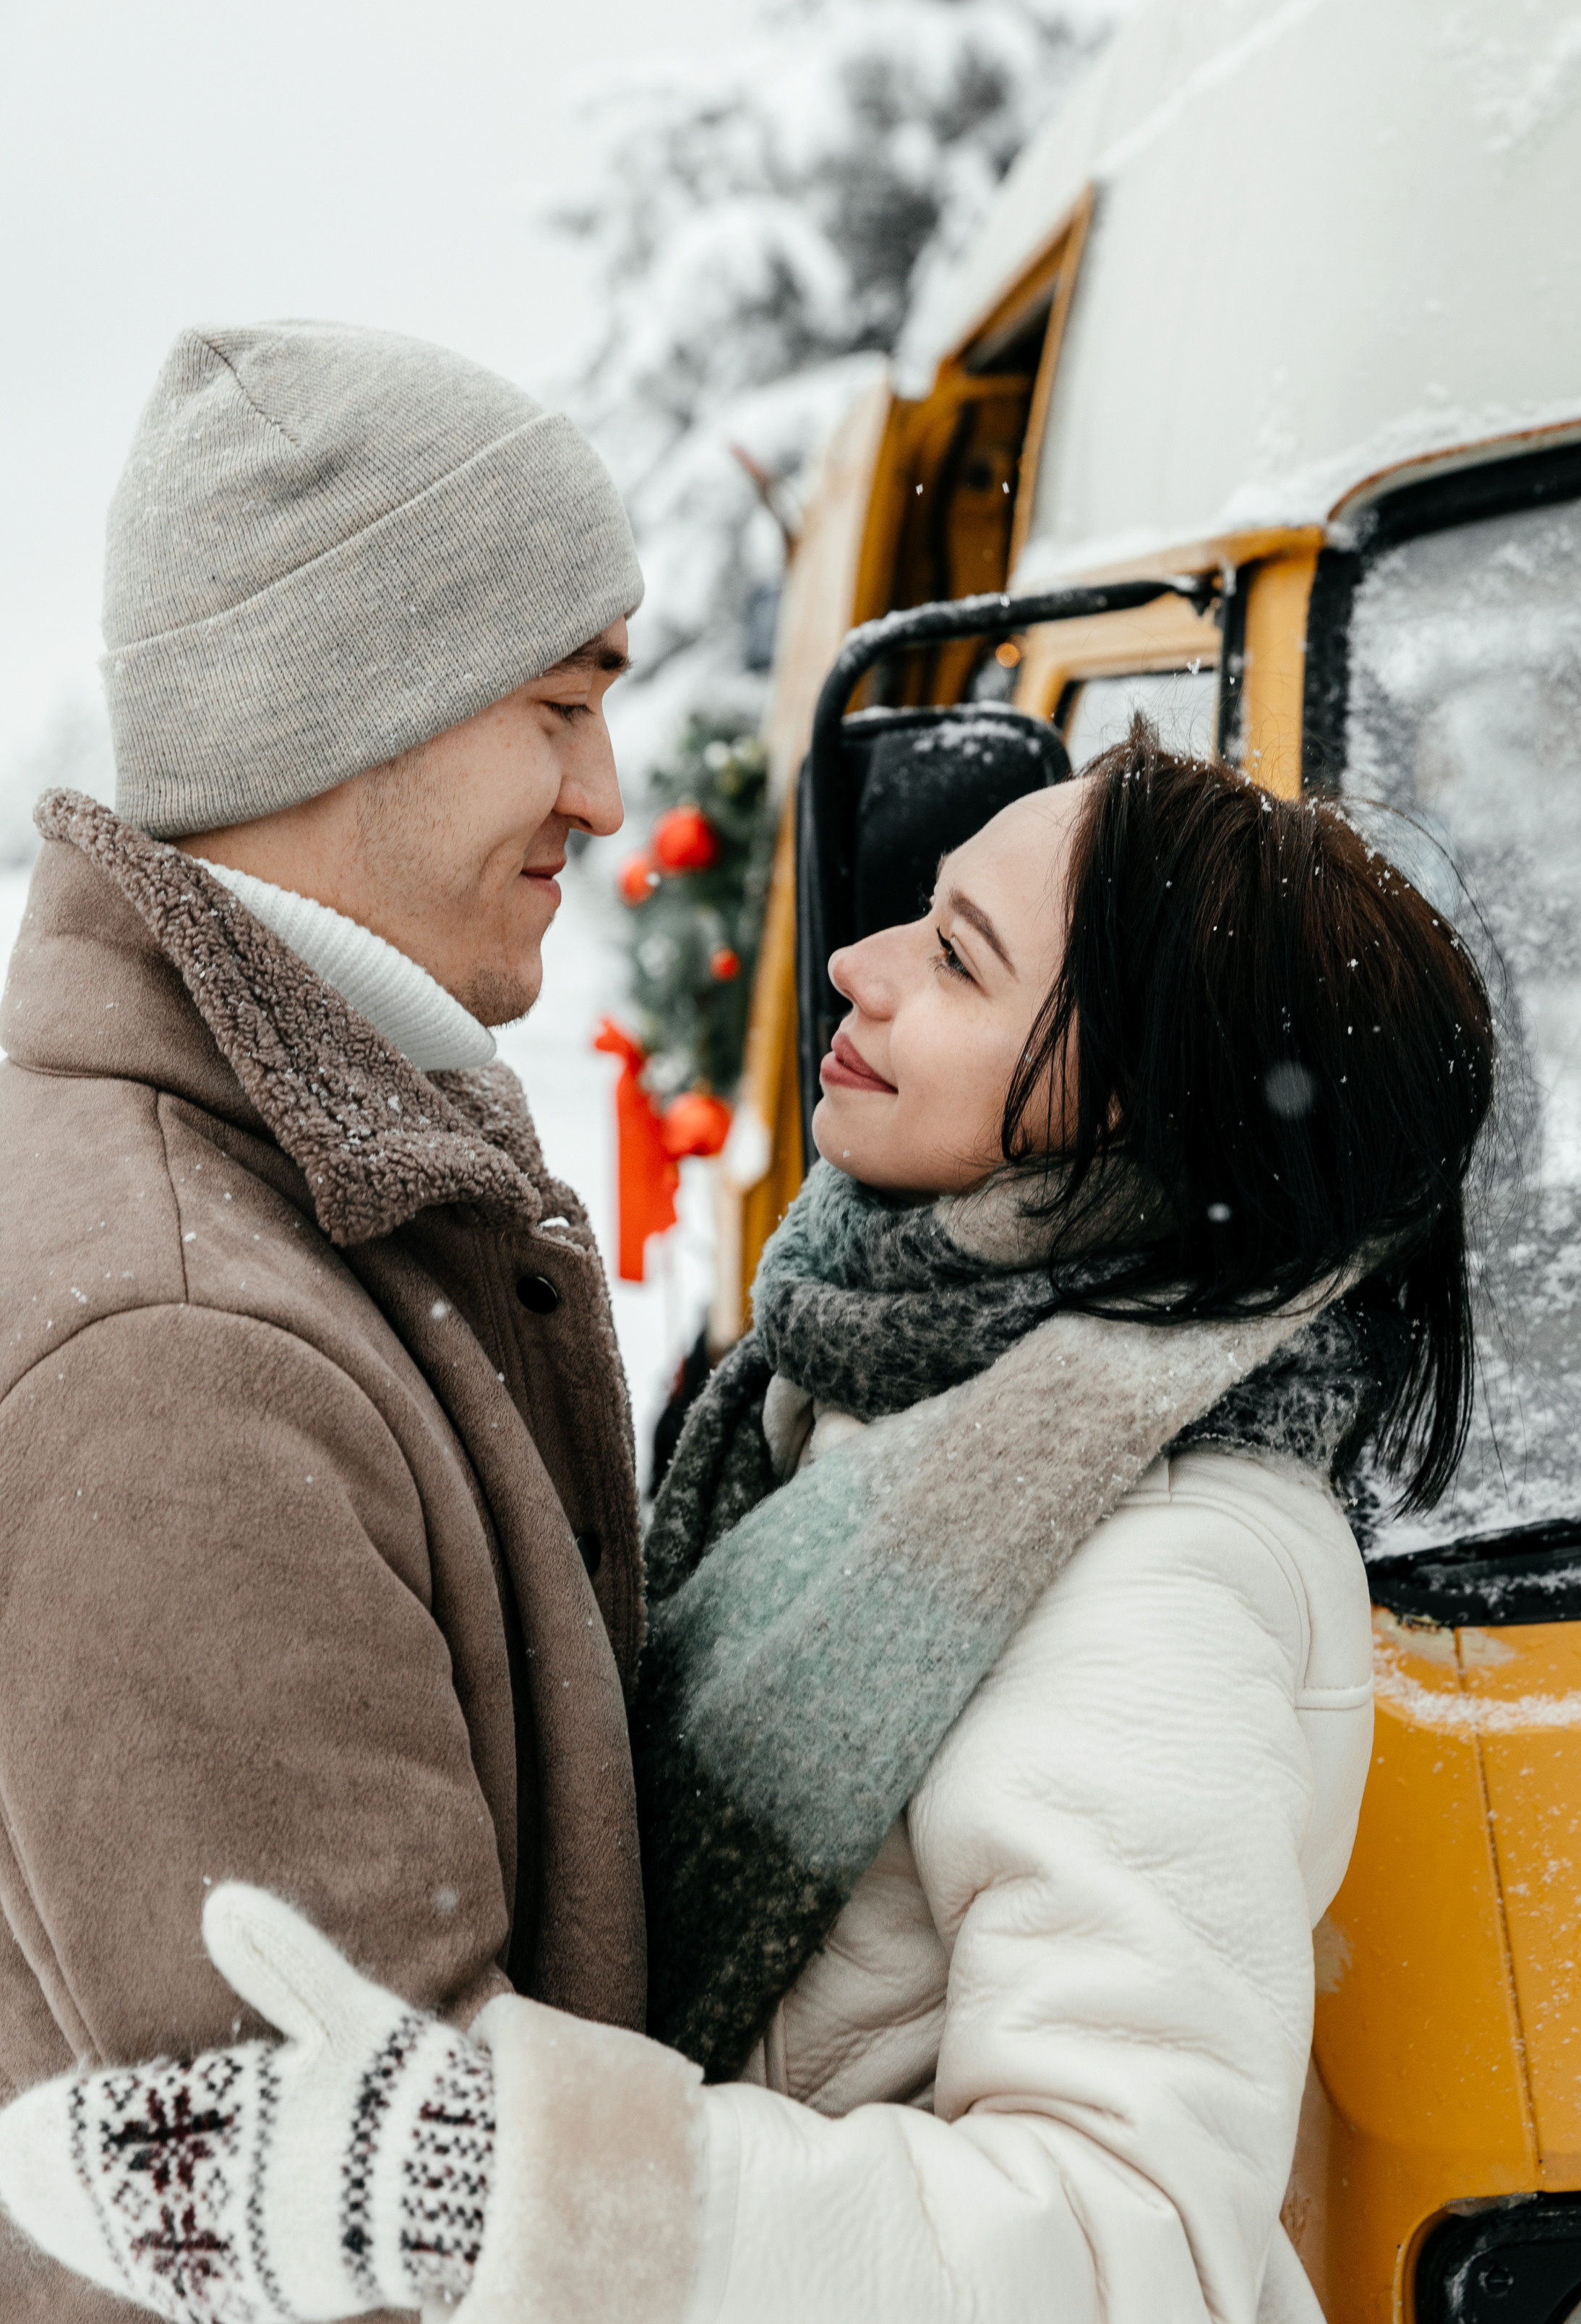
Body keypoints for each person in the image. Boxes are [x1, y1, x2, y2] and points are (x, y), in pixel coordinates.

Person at [0, 723, 1496, 2324]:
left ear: (1133, 1109)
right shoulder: (891, 1402)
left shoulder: (1155, 1571)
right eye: (919, 915)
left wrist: (520, 2189)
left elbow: (1131, 2249)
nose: (859, 966)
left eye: (958, 961)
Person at [0, 320, 651, 2322]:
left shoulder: (311, 1199)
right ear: (355, 706)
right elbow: (382, 2248)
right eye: (561, 706)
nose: (606, 793)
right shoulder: (188, 1351)